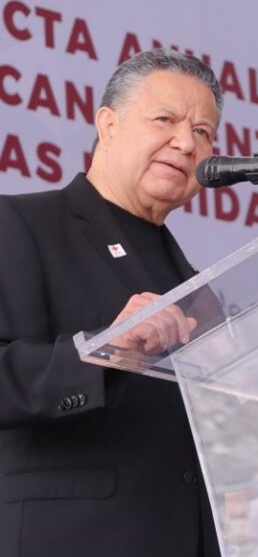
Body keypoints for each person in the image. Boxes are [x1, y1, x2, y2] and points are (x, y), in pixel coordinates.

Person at [0, 49, 222, 554]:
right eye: (165, 120)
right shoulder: (19, 225)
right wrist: (102, 352)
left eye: (203, 132)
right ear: (108, 124)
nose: (186, 142)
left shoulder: (198, 286)